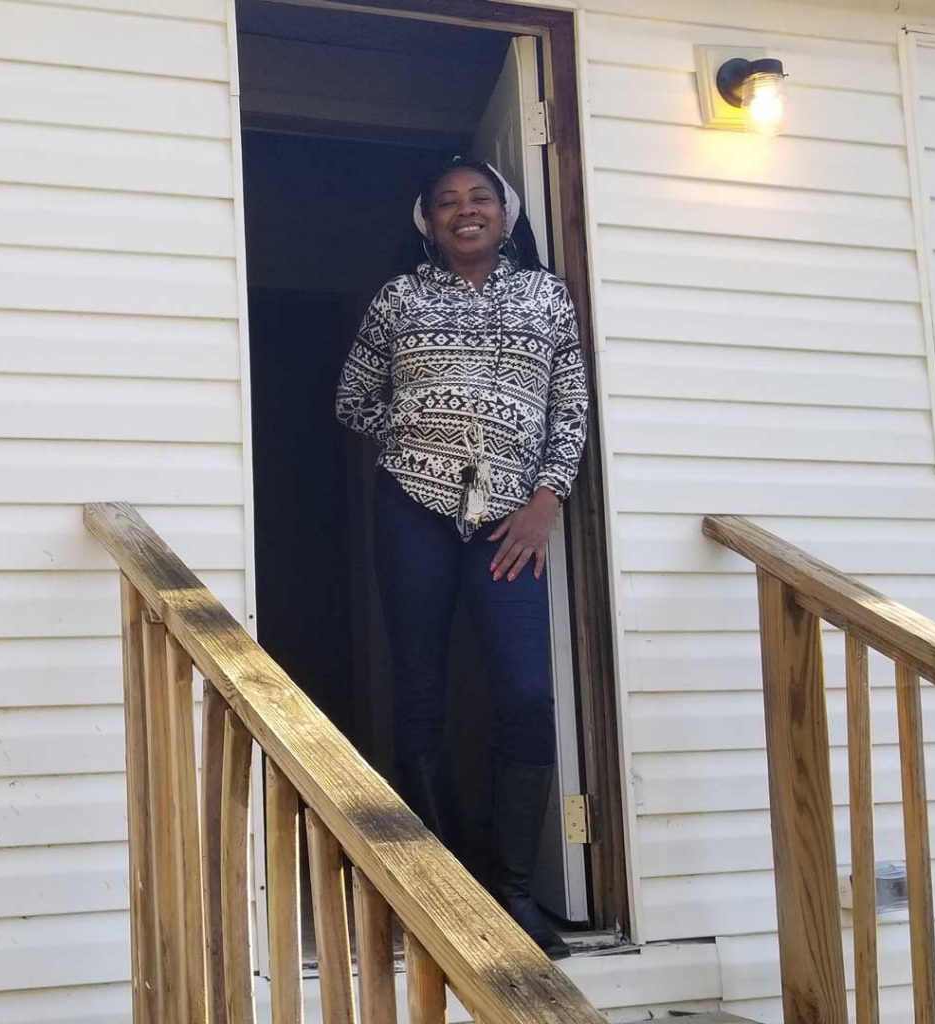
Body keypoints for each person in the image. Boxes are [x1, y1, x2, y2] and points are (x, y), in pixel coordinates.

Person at [335, 156, 588, 959]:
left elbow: (570, 405)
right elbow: (351, 398)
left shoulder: (546, 296)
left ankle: (512, 891)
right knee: (420, 687)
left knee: (524, 693)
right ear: (428, 222)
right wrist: (417, 437)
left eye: (479, 198)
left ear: (506, 214)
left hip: (512, 518)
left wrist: (546, 498)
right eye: (447, 202)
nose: (464, 210)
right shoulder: (398, 298)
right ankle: (439, 890)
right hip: (411, 506)